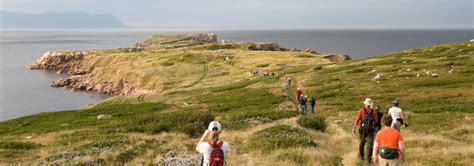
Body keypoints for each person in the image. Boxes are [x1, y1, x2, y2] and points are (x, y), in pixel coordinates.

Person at [352, 98, 378, 163]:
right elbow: (376, 121)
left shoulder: (361, 110)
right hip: (370, 130)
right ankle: (368, 159)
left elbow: (357, 120)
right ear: (370, 104)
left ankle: (361, 156)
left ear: (365, 104)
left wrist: (354, 128)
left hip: (362, 130)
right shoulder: (373, 111)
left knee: (362, 143)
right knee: (370, 144)